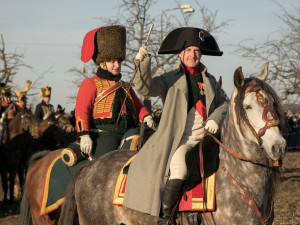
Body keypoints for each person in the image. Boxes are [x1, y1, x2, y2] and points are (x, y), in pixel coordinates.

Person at [123, 27, 229, 224]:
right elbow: (145, 88)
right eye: (188, 51)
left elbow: (224, 103)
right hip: (182, 140)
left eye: (196, 51)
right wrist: (142, 63)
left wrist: (215, 118)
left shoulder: (211, 80)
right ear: (180, 54)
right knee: (179, 168)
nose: (193, 55)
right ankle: (165, 218)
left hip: (208, 138)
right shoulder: (169, 77)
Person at [60, 25, 156, 166]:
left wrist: (146, 116)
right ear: (102, 62)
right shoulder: (91, 83)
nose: (117, 65)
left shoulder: (125, 86)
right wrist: (84, 134)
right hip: (105, 134)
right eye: (112, 61)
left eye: (119, 61)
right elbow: (82, 110)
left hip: (129, 132)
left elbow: (138, 106)